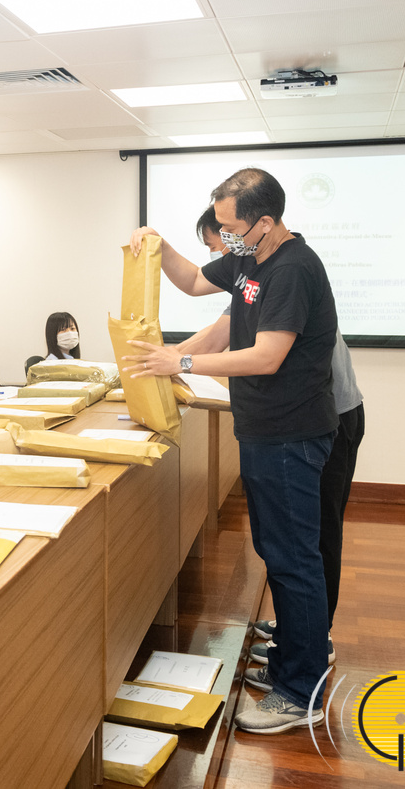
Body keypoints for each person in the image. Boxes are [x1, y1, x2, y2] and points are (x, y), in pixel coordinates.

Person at [125, 168, 338, 735]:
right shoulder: (250, 259)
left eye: (230, 227)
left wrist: (180, 361)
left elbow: (267, 356)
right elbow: (194, 281)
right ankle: (293, 664)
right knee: (279, 553)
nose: (224, 237)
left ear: (264, 222)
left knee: (293, 561)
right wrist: (158, 245)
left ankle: (302, 692)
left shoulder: (291, 268)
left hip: (290, 434)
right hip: (265, 429)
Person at [179, 207, 366, 664]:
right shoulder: (253, 272)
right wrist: (155, 362)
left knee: (312, 541)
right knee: (291, 545)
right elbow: (212, 332)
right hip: (295, 422)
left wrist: (172, 361)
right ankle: (299, 635)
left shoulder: (283, 273)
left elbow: (231, 345)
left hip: (327, 417)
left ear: (255, 226)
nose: (220, 255)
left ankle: (314, 645)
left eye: (221, 242)